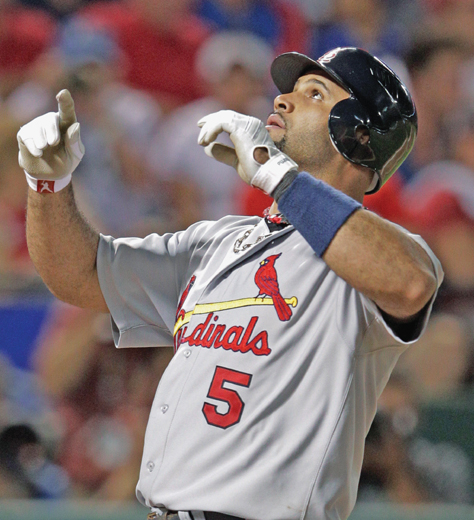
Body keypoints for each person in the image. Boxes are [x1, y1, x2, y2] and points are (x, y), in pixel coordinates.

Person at [17, 47, 442, 520]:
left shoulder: (373, 260)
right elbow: (82, 275)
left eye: (314, 93)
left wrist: (280, 176)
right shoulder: (217, 240)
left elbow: (410, 283)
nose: (282, 101)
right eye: (288, 91)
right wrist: (47, 185)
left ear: (358, 136)